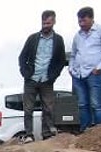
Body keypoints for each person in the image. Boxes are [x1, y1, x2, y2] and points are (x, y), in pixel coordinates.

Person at [18, 10, 67, 143]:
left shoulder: (58, 40)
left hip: (47, 79)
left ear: (54, 22)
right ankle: (29, 134)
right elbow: (22, 57)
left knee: (48, 107)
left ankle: (46, 134)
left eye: (48, 23)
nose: (46, 25)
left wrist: (53, 75)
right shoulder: (33, 38)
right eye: (44, 23)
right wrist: (25, 72)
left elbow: (61, 60)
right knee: (28, 108)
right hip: (31, 78)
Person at [68, 6, 101, 132]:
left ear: (91, 18)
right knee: (82, 105)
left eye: (84, 21)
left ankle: (100, 132)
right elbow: (73, 54)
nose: (81, 24)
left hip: (94, 73)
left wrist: (99, 67)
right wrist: (71, 69)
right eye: (79, 21)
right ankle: (85, 131)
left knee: (96, 104)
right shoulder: (77, 36)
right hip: (78, 75)